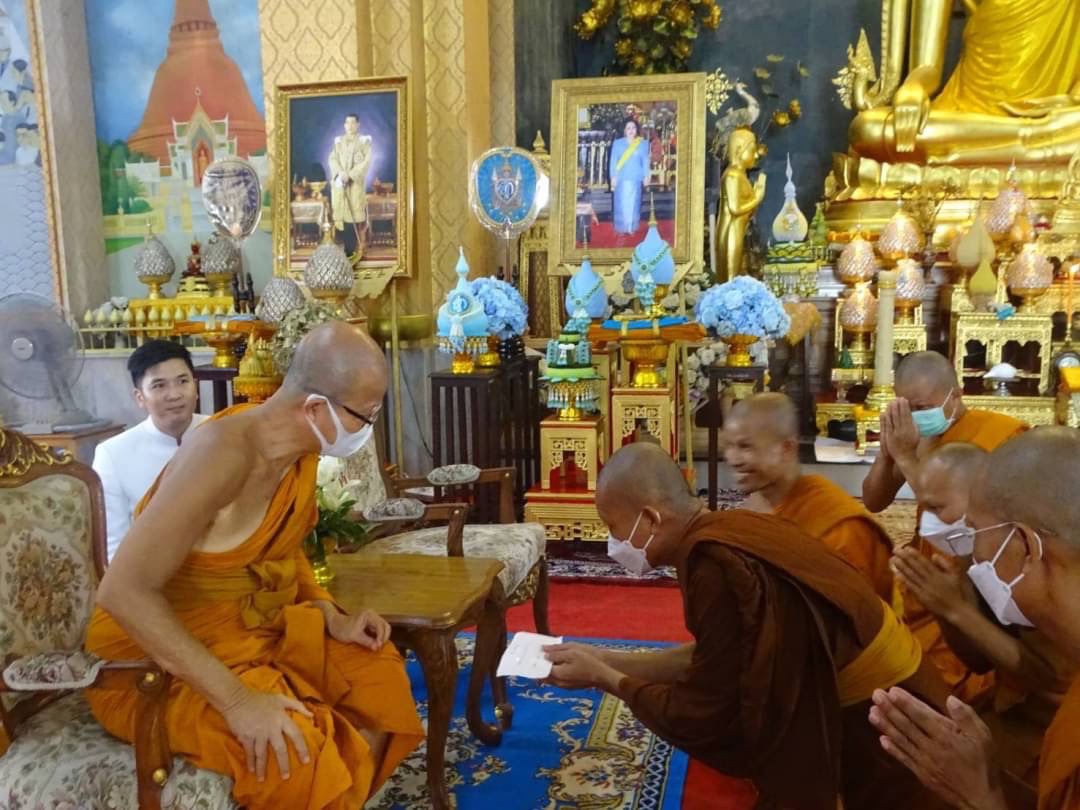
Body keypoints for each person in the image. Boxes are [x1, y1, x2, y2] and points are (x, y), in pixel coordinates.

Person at [86, 322, 423, 809]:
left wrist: (330, 614)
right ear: (314, 408)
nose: (368, 429)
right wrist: (238, 701)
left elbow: (281, 549)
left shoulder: (296, 452)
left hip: (250, 631)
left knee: (379, 677)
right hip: (148, 666)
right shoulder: (222, 454)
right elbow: (122, 592)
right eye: (365, 415)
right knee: (294, 751)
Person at [544, 441, 950, 810]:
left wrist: (606, 679)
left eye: (612, 526)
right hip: (905, 689)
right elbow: (723, 654)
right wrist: (605, 658)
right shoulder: (734, 527)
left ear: (650, 519)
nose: (612, 542)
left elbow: (703, 714)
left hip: (890, 725)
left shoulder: (713, 565)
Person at [870, 427, 1080, 810]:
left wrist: (982, 797)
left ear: (1025, 546)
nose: (974, 549)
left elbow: (1047, 676)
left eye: (977, 530)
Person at [862, 351, 1027, 701]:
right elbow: (875, 500)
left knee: (940, 676)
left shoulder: (999, 436)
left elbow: (951, 510)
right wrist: (888, 452)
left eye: (923, 407)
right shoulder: (917, 437)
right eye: (907, 408)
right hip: (927, 569)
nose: (916, 417)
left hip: (973, 576)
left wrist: (906, 457)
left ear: (956, 395)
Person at [723, 393, 898, 606]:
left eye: (745, 447)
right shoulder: (751, 510)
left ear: (786, 448)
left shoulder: (840, 528)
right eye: (729, 446)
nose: (732, 459)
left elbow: (857, 615)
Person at [92, 340, 208, 561]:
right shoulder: (112, 454)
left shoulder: (223, 432)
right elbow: (114, 545)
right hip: (153, 570)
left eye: (182, 381)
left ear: (195, 387)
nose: (174, 395)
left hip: (224, 568)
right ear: (140, 397)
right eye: (159, 386)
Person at [329, 112, 372, 258]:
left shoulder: (364, 142)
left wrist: (351, 175)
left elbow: (366, 162)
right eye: (347, 123)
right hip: (341, 184)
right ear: (344, 125)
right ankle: (346, 252)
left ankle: (356, 251)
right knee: (343, 219)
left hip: (355, 186)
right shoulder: (338, 142)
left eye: (353, 123)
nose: (350, 125)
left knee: (354, 217)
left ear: (358, 125)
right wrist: (340, 173)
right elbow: (332, 159)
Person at [608, 118, 649, 236]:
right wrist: (613, 176)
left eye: (633, 128)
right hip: (621, 178)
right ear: (624, 130)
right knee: (621, 204)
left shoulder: (642, 144)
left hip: (636, 178)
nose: (631, 130)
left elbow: (645, 161)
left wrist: (646, 176)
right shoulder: (618, 143)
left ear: (637, 130)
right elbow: (613, 161)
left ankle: (632, 227)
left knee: (634, 204)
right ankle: (621, 228)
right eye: (628, 128)